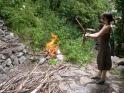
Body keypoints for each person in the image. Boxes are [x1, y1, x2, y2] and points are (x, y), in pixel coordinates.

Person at [85, 12, 114, 84]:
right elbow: (98, 33)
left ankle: (103, 79)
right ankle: (99, 75)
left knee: (104, 61)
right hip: (102, 46)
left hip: (105, 47)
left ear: (106, 18)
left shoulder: (108, 27)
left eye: (103, 18)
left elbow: (98, 35)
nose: (102, 19)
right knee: (100, 59)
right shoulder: (105, 25)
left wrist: (89, 35)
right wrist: (90, 35)